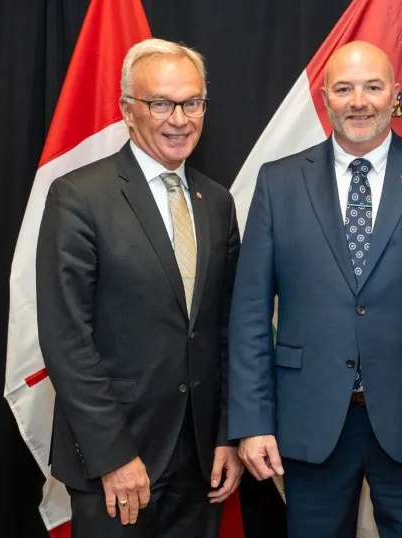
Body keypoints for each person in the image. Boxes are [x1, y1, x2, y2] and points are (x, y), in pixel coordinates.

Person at [227, 41, 402, 538]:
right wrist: (252, 421)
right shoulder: (278, 182)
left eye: (372, 87)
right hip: (308, 422)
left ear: (395, 93)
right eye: (344, 89)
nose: (359, 101)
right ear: (325, 97)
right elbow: (250, 315)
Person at [36, 38, 242, 537]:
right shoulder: (79, 197)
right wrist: (113, 455)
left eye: (192, 102)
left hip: (200, 460)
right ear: (129, 111)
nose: (180, 118)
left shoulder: (216, 202)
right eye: (161, 103)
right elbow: (67, 341)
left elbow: (227, 329)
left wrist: (227, 434)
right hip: (119, 458)